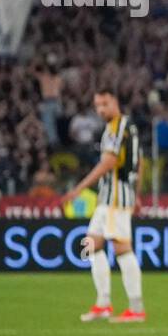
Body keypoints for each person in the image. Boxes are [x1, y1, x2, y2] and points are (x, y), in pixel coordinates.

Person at [61, 89, 146, 323]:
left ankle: (136, 308)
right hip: (110, 197)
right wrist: (137, 195)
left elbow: (108, 163)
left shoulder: (117, 127)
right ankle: (103, 303)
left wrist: (78, 189)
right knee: (92, 244)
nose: (100, 110)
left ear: (115, 102)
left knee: (121, 249)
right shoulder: (127, 127)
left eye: (105, 104)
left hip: (116, 196)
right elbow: (140, 162)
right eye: (97, 105)